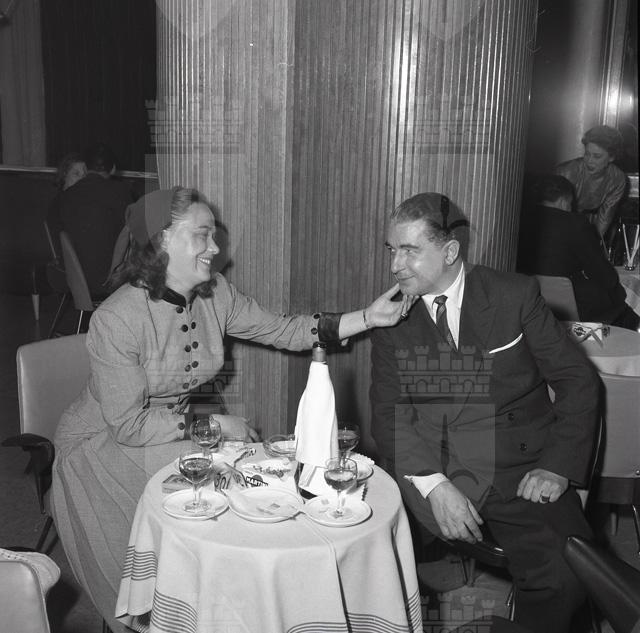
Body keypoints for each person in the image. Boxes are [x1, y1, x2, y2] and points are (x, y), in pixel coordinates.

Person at [51, 186, 412, 633]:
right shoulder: (116, 318)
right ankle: (194, 606)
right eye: (201, 235)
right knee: (222, 478)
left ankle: (237, 604)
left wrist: (368, 318)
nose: (214, 247)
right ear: (162, 240)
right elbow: (127, 424)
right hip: (101, 445)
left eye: (214, 235)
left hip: (162, 430)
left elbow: (282, 329)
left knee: (236, 476)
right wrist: (213, 424)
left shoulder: (215, 293)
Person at [370, 192, 599, 633]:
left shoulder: (513, 294)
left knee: (568, 575)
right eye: (392, 250)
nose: (396, 264)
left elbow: (577, 381)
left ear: (450, 252)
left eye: (410, 251)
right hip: (440, 465)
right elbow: (389, 416)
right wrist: (436, 486)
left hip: (521, 466)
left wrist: (557, 466)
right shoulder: (392, 318)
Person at [518, 174, 640, 330]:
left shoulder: (519, 218)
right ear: (564, 200)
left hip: (530, 303)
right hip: (572, 308)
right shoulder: (574, 223)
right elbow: (602, 273)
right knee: (625, 309)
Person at [59, 142, 133, 298]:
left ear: (86, 168)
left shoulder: (67, 196)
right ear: (113, 169)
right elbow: (127, 235)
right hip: (110, 281)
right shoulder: (121, 192)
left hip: (72, 279)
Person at [555, 125, 627, 238]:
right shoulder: (566, 172)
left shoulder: (617, 179)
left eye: (597, 156)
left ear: (611, 157)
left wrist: (593, 242)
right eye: (587, 154)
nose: (589, 161)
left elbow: (604, 219)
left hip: (588, 225)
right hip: (559, 224)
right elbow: (556, 216)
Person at [45, 152, 87, 258]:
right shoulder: (61, 203)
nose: (82, 180)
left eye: (85, 175)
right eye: (76, 174)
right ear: (64, 175)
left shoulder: (77, 202)